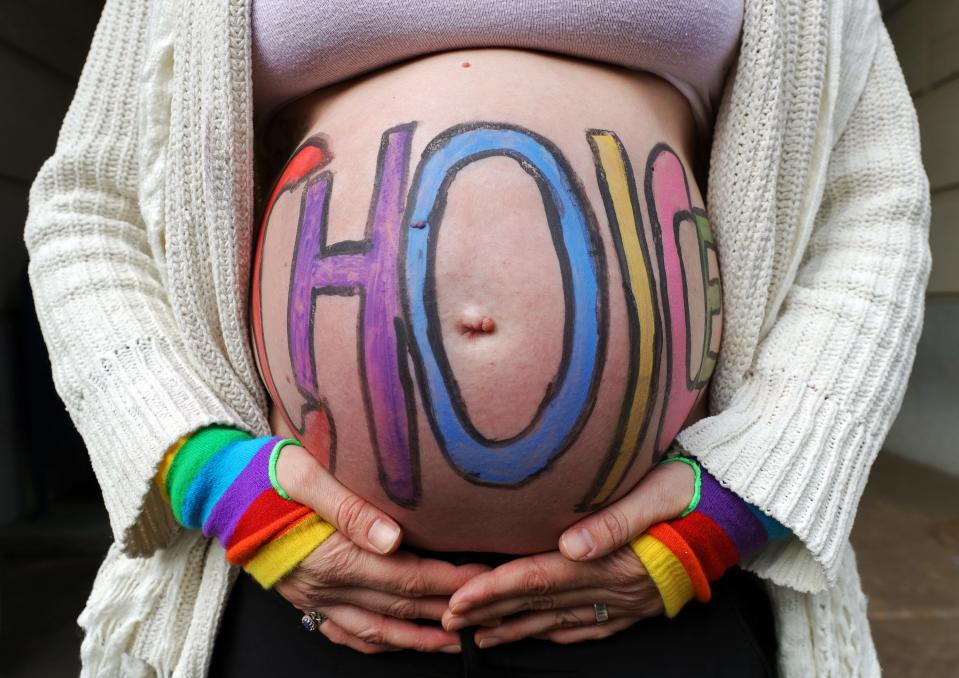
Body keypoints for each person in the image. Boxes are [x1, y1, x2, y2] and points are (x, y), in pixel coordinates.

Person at [23, 0, 930, 676]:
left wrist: (744, 498)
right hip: (304, 584)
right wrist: (205, 473)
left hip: (666, 587)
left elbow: (872, 205)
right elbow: (89, 208)